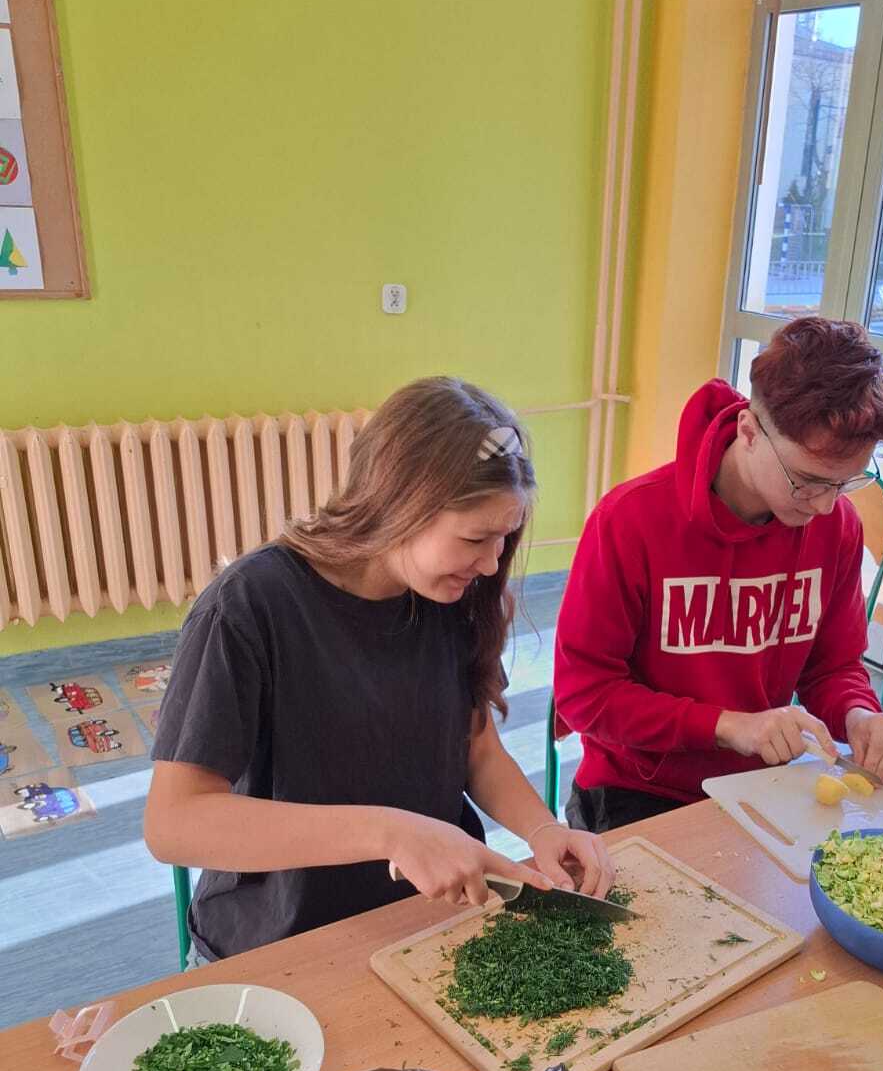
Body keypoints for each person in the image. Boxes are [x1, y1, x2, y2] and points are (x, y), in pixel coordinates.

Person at [145, 377, 614, 960]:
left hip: (423, 928)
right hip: (279, 945)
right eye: (476, 537)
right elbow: (174, 823)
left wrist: (544, 829)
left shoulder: (456, 596)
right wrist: (392, 831)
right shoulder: (249, 605)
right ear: (400, 506)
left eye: (505, 537)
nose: (494, 563)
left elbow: (477, 751)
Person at [554, 316, 883, 833]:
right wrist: (728, 727)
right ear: (749, 432)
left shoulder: (836, 526)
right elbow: (586, 694)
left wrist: (859, 715)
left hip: (761, 785)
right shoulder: (629, 521)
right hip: (637, 789)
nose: (825, 505)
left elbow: (833, 668)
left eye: (846, 482)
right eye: (809, 481)